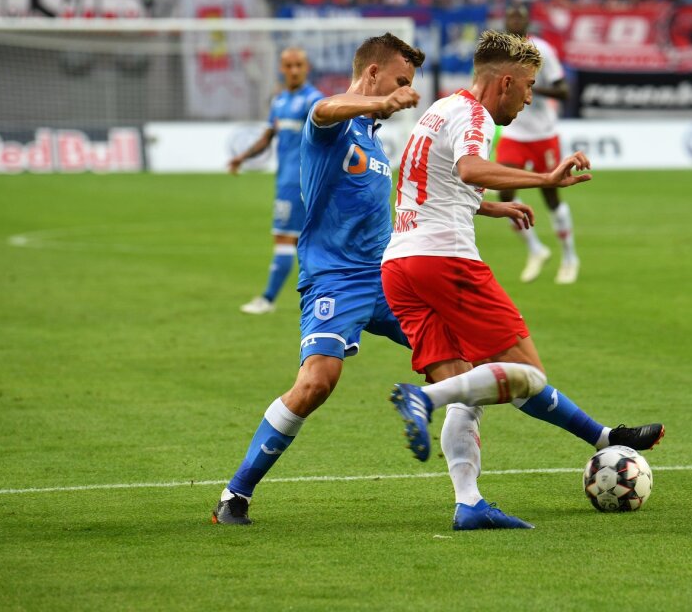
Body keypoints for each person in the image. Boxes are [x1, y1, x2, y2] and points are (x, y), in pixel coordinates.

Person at [383, 31, 664, 531]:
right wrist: (544, 179)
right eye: (530, 86)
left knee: (467, 390)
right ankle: (420, 400)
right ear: (506, 82)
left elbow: (428, 179)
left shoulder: (438, 110)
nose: (532, 96)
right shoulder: (473, 116)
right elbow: (469, 168)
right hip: (444, 260)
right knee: (528, 377)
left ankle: (468, 504)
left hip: (400, 264)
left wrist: (491, 206)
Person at [213, 33, 425, 525]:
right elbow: (324, 108)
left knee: (455, 363)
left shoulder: (373, 137)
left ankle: (475, 496)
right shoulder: (334, 122)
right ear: (372, 74)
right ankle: (235, 494)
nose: (403, 93)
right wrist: (380, 100)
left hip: (387, 282)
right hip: (335, 280)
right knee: (316, 383)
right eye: (400, 81)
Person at [230, 47, 322, 315]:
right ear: (281, 69)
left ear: (307, 68)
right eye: (289, 65)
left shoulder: (313, 101)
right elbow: (267, 136)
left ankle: (267, 300)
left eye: (299, 65)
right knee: (303, 243)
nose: (294, 70)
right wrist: (242, 158)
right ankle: (322, 298)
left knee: (284, 238)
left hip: (298, 183)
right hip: (286, 180)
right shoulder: (279, 101)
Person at [494, 5, 580, 284]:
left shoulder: (542, 51)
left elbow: (564, 90)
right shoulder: (497, 54)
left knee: (551, 197)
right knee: (504, 194)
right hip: (513, 133)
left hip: (543, 134)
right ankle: (536, 249)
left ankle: (569, 256)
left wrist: (530, 89)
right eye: (511, 15)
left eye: (519, 15)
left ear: (527, 21)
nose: (514, 19)